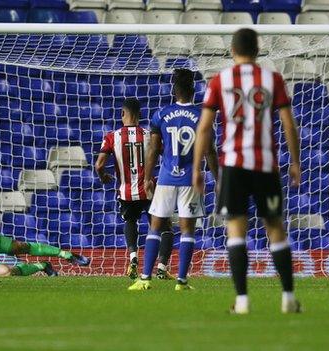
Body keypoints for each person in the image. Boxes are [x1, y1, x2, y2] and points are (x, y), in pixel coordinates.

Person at [193, 28, 301, 313]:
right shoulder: (272, 79)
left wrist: (197, 170)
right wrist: (295, 162)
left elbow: (203, 129)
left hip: (233, 166)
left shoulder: (220, 80)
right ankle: (288, 297)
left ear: (232, 50)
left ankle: (241, 300)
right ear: (257, 50)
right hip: (265, 165)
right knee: (276, 229)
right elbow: (289, 124)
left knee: (236, 231)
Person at [129, 69, 218, 291]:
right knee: (188, 230)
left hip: (167, 177)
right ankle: (181, 281)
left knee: (156, 227)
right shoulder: (202, 116)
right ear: (194, 90)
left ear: (173, 90)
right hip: (190, 179)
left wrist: (147, 177)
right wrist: (218, 179)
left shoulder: (161, 114)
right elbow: (209, 151)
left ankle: (145, 278)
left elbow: (153, 149)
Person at [95, 97, 176, 280]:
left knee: (130, 221)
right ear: (140, 115)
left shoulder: (112, 137)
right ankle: (162, 267)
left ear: (122, 114)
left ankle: (133, 257)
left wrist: (103, 177)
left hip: (126, 192)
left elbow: (99, 165)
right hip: (149, 191)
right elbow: (166, 155)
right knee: (166, 229)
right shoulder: (149, 135)